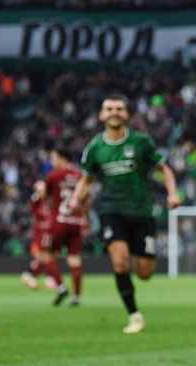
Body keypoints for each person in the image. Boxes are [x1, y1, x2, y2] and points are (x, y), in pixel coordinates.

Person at [70, 95, 180, 334]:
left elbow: (164, 169)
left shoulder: (141, 142)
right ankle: (134, 315)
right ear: (102, 115)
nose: (114, 112)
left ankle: (134, 260)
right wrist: (76, 199)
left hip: (142, 212)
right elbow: (86, 179)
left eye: (119, 108)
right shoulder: (95, 147)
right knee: (119, 261)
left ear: (127, 114)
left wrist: (172, 194)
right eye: (109, 108)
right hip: (112, 210)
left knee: (145, 272)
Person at [43, 148, 88, 306]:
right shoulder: (79, 175)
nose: (52, 162)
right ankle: (77, 297)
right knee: (74, 259)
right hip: (76, 222)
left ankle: (61, 287)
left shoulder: (54, 175)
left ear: (62, 158)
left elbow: (45, 196)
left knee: (47, 255)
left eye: (53, 158)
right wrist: (85, 219)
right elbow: (85, 198)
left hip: (59, 221)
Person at [20, 181, 53, 291]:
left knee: (45, 256)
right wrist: (39, 190)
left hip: (48, 233)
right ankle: (47, 277)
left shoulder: (49, 201)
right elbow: (34, 200)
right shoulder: (36, 200)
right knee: (43, 256)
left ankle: (30, 275)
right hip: (41, 233)